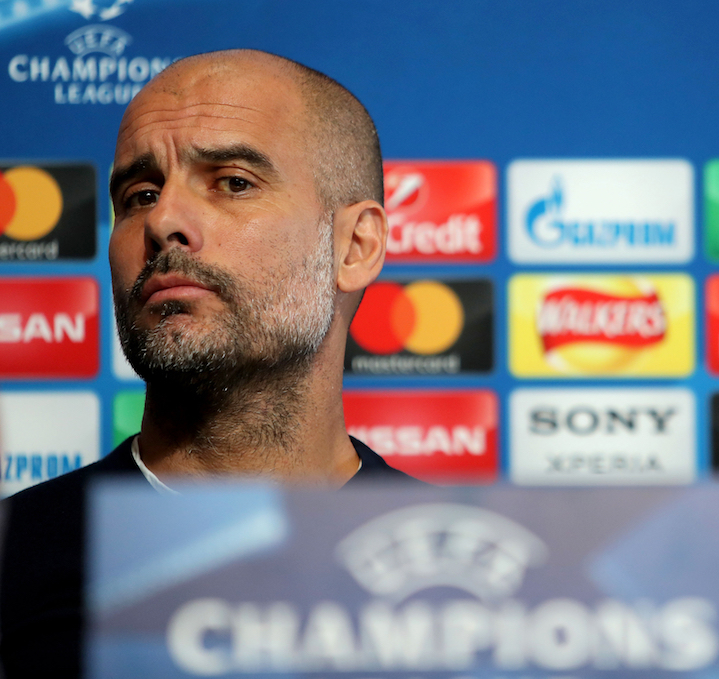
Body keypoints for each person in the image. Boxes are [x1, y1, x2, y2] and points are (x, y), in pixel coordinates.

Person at [0, 49, 418, 677]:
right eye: (140, 195)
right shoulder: (13, 560)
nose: (163, 220)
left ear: (355, 246)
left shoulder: (491, 593)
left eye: (233, 182)